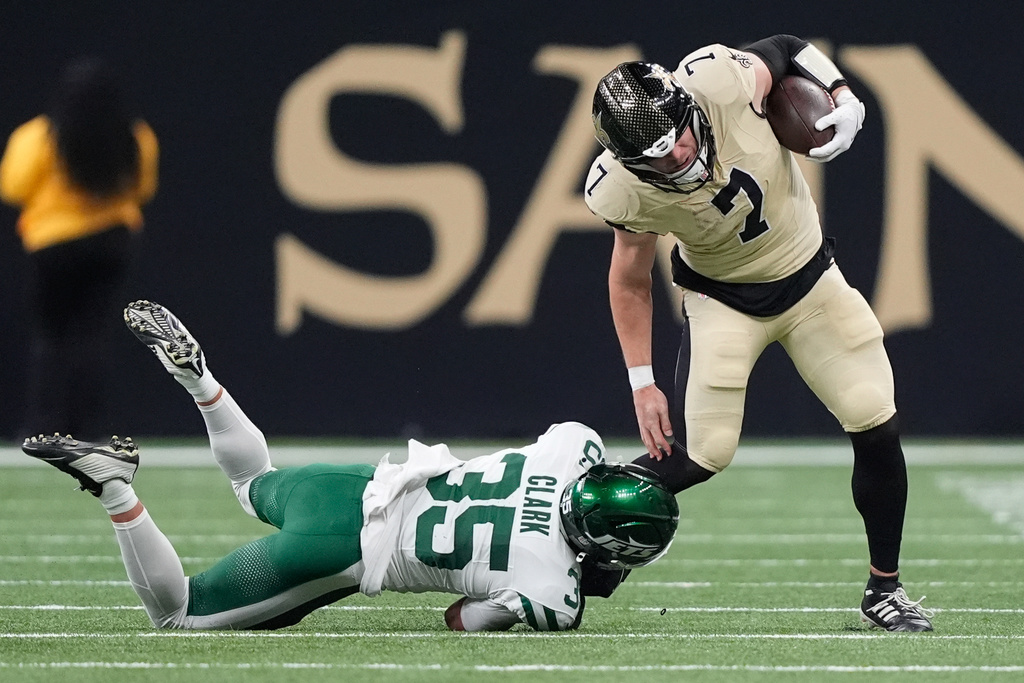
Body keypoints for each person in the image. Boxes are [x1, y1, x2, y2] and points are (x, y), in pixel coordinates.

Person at [22, 300, 679, 632]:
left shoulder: (574, 446)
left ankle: (201, 383)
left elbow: (576, 457)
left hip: (361, 483)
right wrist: (569, 574)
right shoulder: (553, 592)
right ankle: (115, 486)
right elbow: (460, 620)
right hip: (345, 549)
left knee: (252, 484)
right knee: (180, 614)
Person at [583, 35, 934, 632]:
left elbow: (788, 48)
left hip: (811, 280)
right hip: (723, 300)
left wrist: (842, 93)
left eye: (678, 139)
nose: (677, 159)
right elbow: (630, 280)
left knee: (873, 417)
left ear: (687, 107)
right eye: (655, 159)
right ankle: (577, 528)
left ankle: (885, 589)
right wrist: (642, 382)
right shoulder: (622, 188)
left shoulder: (719, 81)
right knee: (702, 453)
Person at [0, 57, 158, 440]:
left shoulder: (38, 136)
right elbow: (142, 188)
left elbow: (13, 186)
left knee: (52, 336)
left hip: (52, 245)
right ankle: (88, 426)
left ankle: (45, 424)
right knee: (91, 336)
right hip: (111, 242)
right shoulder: (134, 137)